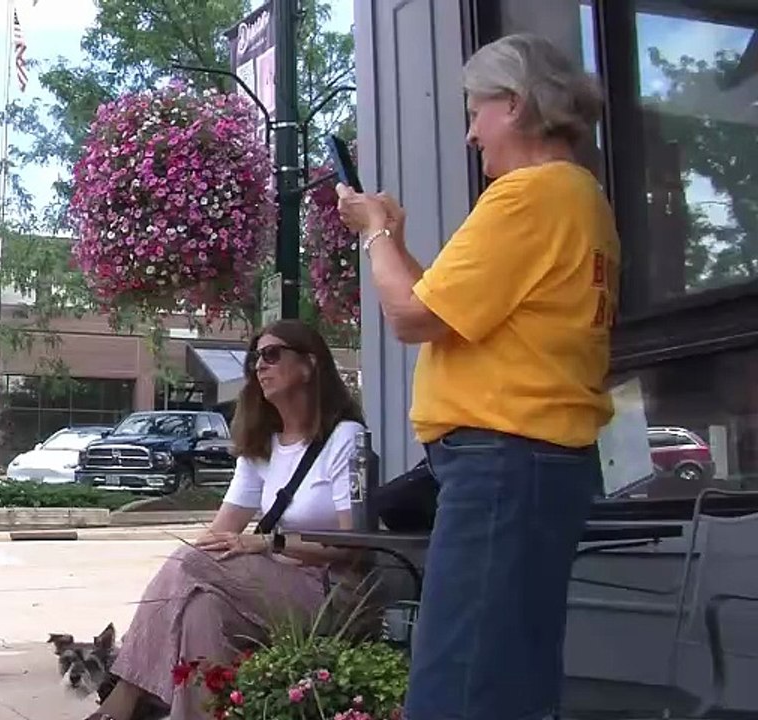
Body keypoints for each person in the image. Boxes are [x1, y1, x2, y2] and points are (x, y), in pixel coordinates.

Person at [336, 33, 616, 720]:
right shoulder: (579, 198)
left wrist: (374, 234)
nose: (469, 134)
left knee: (457, 688)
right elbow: (444, 311)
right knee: (508, 682)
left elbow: (410, 316)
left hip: (502, 463)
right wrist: (395, 241)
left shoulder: (528, 195)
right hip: (541, 463)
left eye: (475, 112)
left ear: (514, 104)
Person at [90, 319, 368, 720]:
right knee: (201, 608)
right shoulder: (262, 445)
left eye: (272, 354)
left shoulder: (345, 438)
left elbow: (354, 545)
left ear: (309, 365)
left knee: (191, 562)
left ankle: (125, 698)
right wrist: (183, 581)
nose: (260, 365)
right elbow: (219, 534)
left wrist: (268, 542)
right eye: (255, 358)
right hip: (271, 585)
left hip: (330, 591)